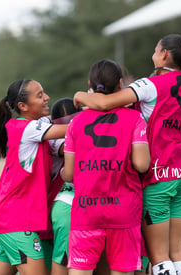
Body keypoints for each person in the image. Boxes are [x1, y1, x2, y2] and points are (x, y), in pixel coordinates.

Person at [73, 34, 181, 275]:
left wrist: (81, 96)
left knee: (159, 256)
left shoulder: (149, 85)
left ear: (164, 54)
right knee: (178, 252)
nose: (152, 55)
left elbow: (105, 103)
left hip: (158, 176)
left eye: (155, 50)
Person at [61, 59, 150, 275]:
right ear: (120, 85)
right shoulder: (135, 118)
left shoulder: (76, 123)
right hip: (124, 212)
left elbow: (69, 174)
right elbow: (141, 164)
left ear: (89, 84)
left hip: (86, 212)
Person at [0, 79, 67, 275]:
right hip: (17, 222)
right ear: (23, 106)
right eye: (40, 95)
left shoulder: (36, 131)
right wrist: (98, 112)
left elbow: (65, 146)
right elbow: (70, 129)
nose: (46, 98)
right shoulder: (25, 128)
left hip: (12, 220)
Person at [47, 98, 81, 275]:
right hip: (64, 203)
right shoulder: (54, 141)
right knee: (62, 260)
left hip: (84, 204)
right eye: (63, 123)